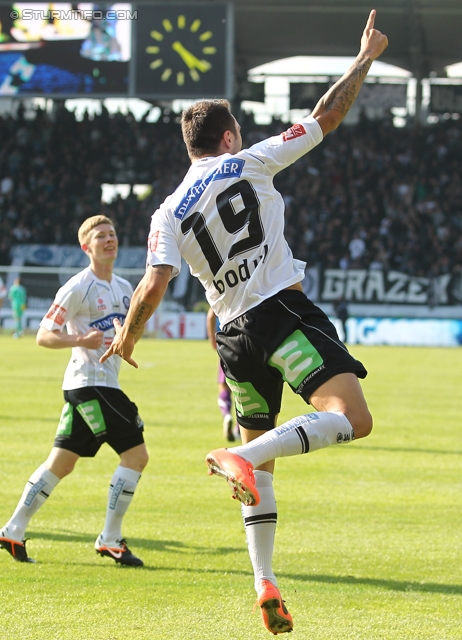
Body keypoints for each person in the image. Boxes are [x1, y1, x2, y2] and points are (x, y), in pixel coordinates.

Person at [100, 11, 387, 634]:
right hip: (279, 311)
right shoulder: (252, 161)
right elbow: (327, 117)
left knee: (264, 474)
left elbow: (153, 284)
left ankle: (264, 581)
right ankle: (241, 453)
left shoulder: (169, 211)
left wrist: (129, 333)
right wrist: (362, 60)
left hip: (230, 339)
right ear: (229, 138)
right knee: (352, 418)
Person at [0, 215, 148, 566]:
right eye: (100, 236)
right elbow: (44, 334)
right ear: (86, 247)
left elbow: (130, 333)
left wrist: (123, 334)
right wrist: (80, 339)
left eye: (112, 234)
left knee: (61, 463)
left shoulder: (126, 288)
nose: (109, 240)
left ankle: (12, 530)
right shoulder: (77, 286)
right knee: (136, 455)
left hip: (100, 383)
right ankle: (110, 538)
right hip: (90, 384)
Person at [206, 306, 240, 442]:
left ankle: (226, 414)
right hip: (253, 341)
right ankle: (238, 429)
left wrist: (212, 340)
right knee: (248, 389)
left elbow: (210, 316)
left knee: (224, 386)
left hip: (227, 342)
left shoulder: (227, 289)